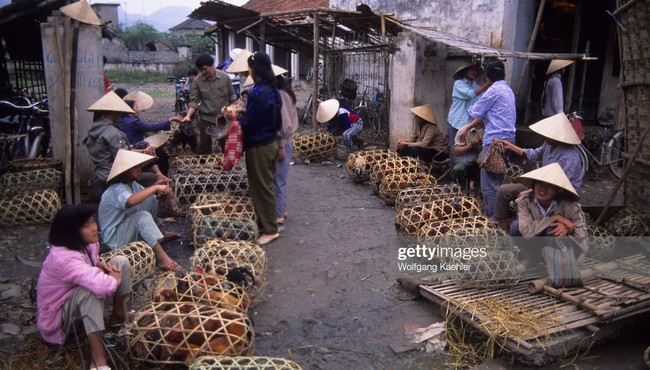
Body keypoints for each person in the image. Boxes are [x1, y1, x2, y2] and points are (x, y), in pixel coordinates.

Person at [37, 204, 132, 370]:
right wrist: (115, 279)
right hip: (60, 321)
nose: (94, 228)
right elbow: (103, 287)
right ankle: (98, 359)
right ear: (71, 232)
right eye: (87, 226)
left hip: (74, 308)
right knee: (88, 292)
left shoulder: (85, 244)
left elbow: (87, 263)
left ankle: (118, 316)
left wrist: (99, 264)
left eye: (93, 222)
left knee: (120, 262)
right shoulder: (63, 258)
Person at [495, 112, 584, 232]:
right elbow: (534, 155)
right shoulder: (548, 144)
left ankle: (525, 228)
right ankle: (502, 230)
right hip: (543, 183)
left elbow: (559, 185)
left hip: (561, 192)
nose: (546, 136)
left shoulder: (569, 157)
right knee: (503, 191)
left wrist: (529, 191)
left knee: (523, 199)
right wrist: (511, 146)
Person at [98, 149, 181, 271]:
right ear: (126, 171)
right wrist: (156, 187)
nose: (139, 169)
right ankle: (163, 258)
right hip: (115, 238)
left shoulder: (133, 184)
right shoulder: (117, 189)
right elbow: (131, 201)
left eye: (139, 166)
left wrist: (156, 186)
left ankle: (161, 232)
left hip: (125, 227)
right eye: (135, 167)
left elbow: (143, 194)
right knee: (142, 216)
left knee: (151, 199)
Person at [459, 60, 516, 218]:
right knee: (498, 182)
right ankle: (499, 216)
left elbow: (475, 111)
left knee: (489, 186)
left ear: (488, 77)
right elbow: (486, 115)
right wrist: (467, 127)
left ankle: (494, 220)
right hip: (508, 140)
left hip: (494, 142)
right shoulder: (508, 90)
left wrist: (469, 116)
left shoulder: (493, 91)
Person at [240, 51, 282, 246]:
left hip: (259, 145)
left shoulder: (257, 91)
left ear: (254, 69)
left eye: (249, 67)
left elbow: (250, 122)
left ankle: (270, 229)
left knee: (261, 188)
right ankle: (268, 223)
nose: (248, 70)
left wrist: (235, 117)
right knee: (266, 186)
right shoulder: (271, 88)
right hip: (270, 141)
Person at [510, 163, 587, 269]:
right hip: (540, 246)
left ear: (557, 189)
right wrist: (554, 218)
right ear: (534, 185)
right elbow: (526, 231)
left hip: (568, 250)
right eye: (540, 183)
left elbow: (582, 235)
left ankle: (558, 267)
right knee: (515, 226)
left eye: (549, 186)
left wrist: (570, 230)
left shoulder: (568, 205)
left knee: (553, 229)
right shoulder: (525, 202)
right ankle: (531, 259)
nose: (543, 189)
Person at [84, 91, 166, 188]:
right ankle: (137, 200)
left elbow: (121, 150)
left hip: (102, 172)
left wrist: (143, 152)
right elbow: (124, 159)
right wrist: (146, 156)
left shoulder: (95, 128)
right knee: (152, 177)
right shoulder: (112, 133)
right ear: (115, 113)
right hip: (113, 174)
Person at [183, 54, 237, 154]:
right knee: (205, 147)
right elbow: (194, 101)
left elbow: (232, 97)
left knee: (227, 146)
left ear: (212, 65)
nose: (203, 72)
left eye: (205, 69)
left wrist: (234, 114)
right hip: (206, 119)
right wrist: (188, 115)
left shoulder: (225, 78)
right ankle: (205, 166)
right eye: (201, 70)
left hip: (224, 118)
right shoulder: (197, 81)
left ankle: (228, 167)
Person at [118, 91, 173, 175]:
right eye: (136, 107)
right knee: (162, 156)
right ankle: (160, 177)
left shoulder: (121, 120)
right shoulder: (133, 122)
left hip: (126, 149)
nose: (138, 109)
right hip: (133, 150)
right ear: (130, 110)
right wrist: (170, 121)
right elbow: (152, 127)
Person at [447, 62, 491, 157]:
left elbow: (482, 104)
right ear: (465, 71)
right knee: (455, 151)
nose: (474, 72)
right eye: (471, 70)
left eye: (475, 70)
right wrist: (487, 85)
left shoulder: (477, 87)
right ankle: (453, 171)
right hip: (455, 121)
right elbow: (470, 94)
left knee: (468, 152)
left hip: (468, 125)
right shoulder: (458, 83)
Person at [275, 75, 299, 225]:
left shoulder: (281, 95)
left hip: (282, 142)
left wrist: (281, 144)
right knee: (280, 178)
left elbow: (285, 123)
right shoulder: (286, 93)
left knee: (277, 180)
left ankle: (278, 214)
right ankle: (282, 209)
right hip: (285, 141)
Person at [452, 127, 483, 193]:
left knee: (484, 169)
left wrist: (481, 140)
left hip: (483, 162)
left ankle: (480, 193)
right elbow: (456, 151)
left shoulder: (489, 130)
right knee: (457, 169)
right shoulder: (464, 131)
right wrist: (470, 145)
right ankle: (462, 190)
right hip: (467, 161)